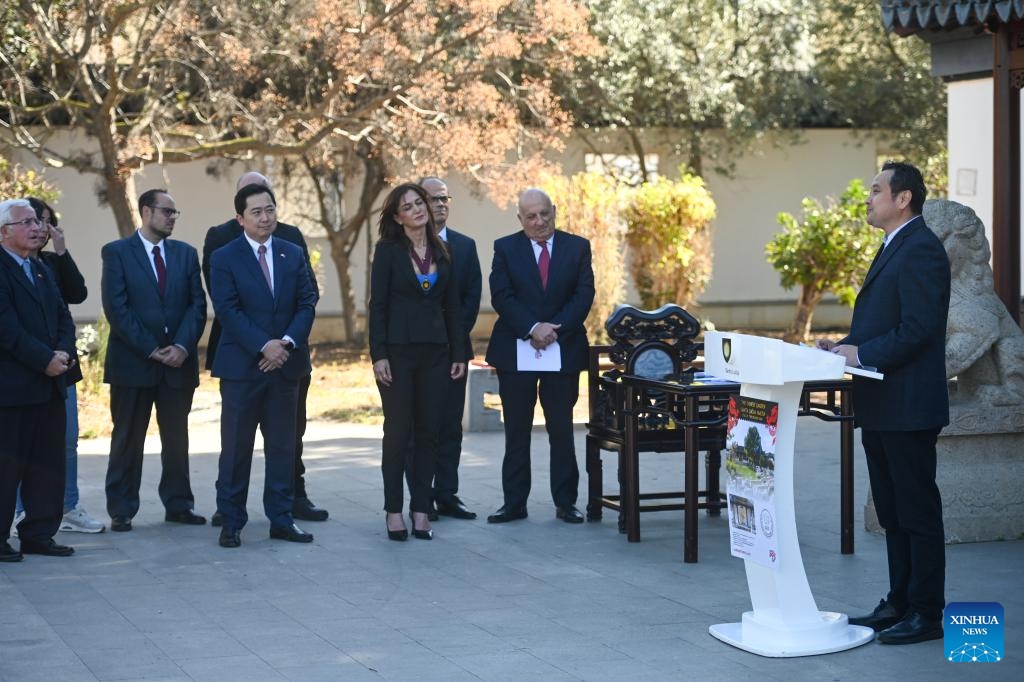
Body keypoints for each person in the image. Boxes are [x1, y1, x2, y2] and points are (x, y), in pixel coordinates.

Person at [817, 161, 950, 645]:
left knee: (916, 512)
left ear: (903, 199)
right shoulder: (894, 246)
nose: (868, 198)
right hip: (881, 401)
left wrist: (864, 352)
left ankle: (927, 613)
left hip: (909, 405)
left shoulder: (922, 249)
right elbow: (882, 323)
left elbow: (920, 328)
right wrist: (844, 346)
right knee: (892, 512)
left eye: (876, 190)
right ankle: (898, 601)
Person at [203, 171, 327, 525]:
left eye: (270, 209)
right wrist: (263, 346)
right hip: (243, 368)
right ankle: (231, 520)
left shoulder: (292, 251)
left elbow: (307, 301)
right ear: (240, 218)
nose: (265, 217)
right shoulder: (225, 256)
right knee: (236, 450)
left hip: (286, 366)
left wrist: (285, 343)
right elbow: (227, 308)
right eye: (256, 212)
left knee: (282, 448)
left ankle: (282, 519)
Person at [485, 188, 595, 525]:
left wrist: (553, 329)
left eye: (544, 214)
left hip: (563, 350)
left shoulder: (577, 247)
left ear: (554, 211)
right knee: (516, 430)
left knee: (561, 429)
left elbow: (584, 293)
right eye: (531, 216)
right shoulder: (505, 248)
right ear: (520, 219)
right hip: (516, 351)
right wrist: (532, 327)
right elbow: (501, 296)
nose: (539, 222)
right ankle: (514, 503)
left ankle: (566, 502)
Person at [101, 189, 208, 532]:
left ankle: (179, 504)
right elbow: (117, 309)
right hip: (134, 364)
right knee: (128, 438)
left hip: (178, 364)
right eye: (167, 211)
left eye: (175, 213)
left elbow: (197, 306)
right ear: (146, 211)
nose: (173, 217)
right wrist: (151, 348)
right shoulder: (117, 252)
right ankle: (121, 508)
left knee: (177, 439)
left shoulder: (186, 254)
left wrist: (180, 345)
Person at [369, 183, 466, 541]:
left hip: (436, 354)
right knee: (398, 433)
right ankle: (394, 510)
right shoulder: (388, 251)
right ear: (397, 217)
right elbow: (377, 306)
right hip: (397, 353)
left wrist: (458, 352)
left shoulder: (444, 250)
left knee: (428, 432)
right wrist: (378, 354)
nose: (418, 209)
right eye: (408, 207)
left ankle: (421, 510)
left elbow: (452, 307)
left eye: (419, 203)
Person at [0, 198, 77, 561]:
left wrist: (61, 353)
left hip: (49, 384)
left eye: (38, 222)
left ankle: (39, 533)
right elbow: (6, 329)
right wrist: (43, 359)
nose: (37, 228)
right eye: (26, 223)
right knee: (7, 465)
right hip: (13, 388)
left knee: (48, 464)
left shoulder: (42, 267)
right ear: (4, 232)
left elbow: (63, 316)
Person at [25, 198, 105, 533]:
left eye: (47, 221)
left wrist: (62, 251)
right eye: (35, 221)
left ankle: (69, 505)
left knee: (68, 439)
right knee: (21, 442)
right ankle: (19, 510)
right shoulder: (10, 266)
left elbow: (77, 294)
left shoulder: (49, 264)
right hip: (25, 367)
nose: (41, 228)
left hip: (62, 365)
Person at [415, 176, 481, 521]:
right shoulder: (404, 247)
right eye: (433, 198)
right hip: (416, 353)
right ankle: (421, 497)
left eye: (445, 198)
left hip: (454, 352)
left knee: (450, 426)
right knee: (421, 426)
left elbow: (470, 300)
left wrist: (453, 339)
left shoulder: (466, 246)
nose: (440, 204)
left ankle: (447, 494)